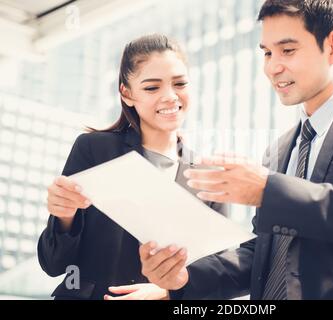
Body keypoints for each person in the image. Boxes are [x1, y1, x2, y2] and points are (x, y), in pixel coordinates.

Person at [139, 0, 333, 300]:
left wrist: (270, 191)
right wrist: (184, 280)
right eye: (267, 53)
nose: (272, 67)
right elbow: (263, 255)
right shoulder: (279, 149)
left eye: (287, 50)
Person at [37, 34, 227, 300]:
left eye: (180, 83)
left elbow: (218, 275)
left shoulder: (210, 178)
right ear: (127, 94)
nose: (170, 96)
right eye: (152, 88)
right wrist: (65, 217)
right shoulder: (95, 150)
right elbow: (54, 264)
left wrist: (165, 291)